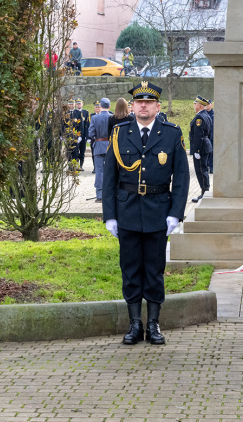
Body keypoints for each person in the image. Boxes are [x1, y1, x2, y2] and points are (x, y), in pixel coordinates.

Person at [103, 82, 189, 346]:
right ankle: (134, 324)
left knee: (154, 269)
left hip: (157, 212)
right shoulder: (119, 133)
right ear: (132, 106)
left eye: (148, 102)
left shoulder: (172, 134)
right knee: (130, 269)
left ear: (157, 107)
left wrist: (175, 213)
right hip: (127, 210)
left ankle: (153, 324)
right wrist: (110, 215)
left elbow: (183, 178)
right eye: (138, 102)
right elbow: (109, 177)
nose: (143, 106)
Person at [88, 98, 114, 202]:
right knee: (110, 171)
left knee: (99, 171)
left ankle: (99, 195)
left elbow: (91, 134)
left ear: (100, 106)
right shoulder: (112, 117)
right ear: (109, 107)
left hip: (98, 145)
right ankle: (110, 194)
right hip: (110, 145)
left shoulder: (94, 118)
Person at [189, 96, 213, 203]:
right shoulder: (206, 116)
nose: (194, 106)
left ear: (199, 105)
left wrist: (197, 151)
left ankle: (204, 193)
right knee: (203, 170)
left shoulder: (199, 118)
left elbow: (198, 135)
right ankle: (205, 192)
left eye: (195, 104)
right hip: (206, 145)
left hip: (201, 147)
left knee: (201, 171)